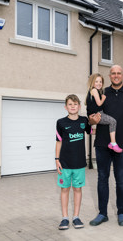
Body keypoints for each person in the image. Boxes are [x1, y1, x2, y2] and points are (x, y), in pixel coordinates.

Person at [88, 65, 123, 227]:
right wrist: (93, 121)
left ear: (122, 75)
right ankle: (102, 213)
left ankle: (121, 212)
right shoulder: (101, 92)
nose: (116, 76)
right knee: (102, 178)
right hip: (103, 143)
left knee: (121, 179)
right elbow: (91, 117)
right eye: (113, 73)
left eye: (119, 73)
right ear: (109, 76)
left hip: (122, 143)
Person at [55, 94, 92, 230]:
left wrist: (95, 120)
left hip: (79, 163)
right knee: (65, 189)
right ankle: (65, 218)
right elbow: (58, 142)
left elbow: (92, 131)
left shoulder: (84, 120)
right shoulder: (61, 122)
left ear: (79, 106)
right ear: (66, 107)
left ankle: (76, 217)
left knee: (77, 189)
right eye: (70, 104)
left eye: (75, 104)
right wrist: (57, 160)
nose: (72, 106)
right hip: (64, 163)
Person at [85, 73, 122, 153]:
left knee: (111, 122)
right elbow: (99, 103)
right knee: (113, 121)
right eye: (96, 81)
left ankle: (112, 143)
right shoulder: (94, 90)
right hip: (97, 114)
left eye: (100, 82)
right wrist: (103, 98)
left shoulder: (94, 91)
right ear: (92, 82)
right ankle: (113, 143)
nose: (99, 84)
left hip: (96, 113)